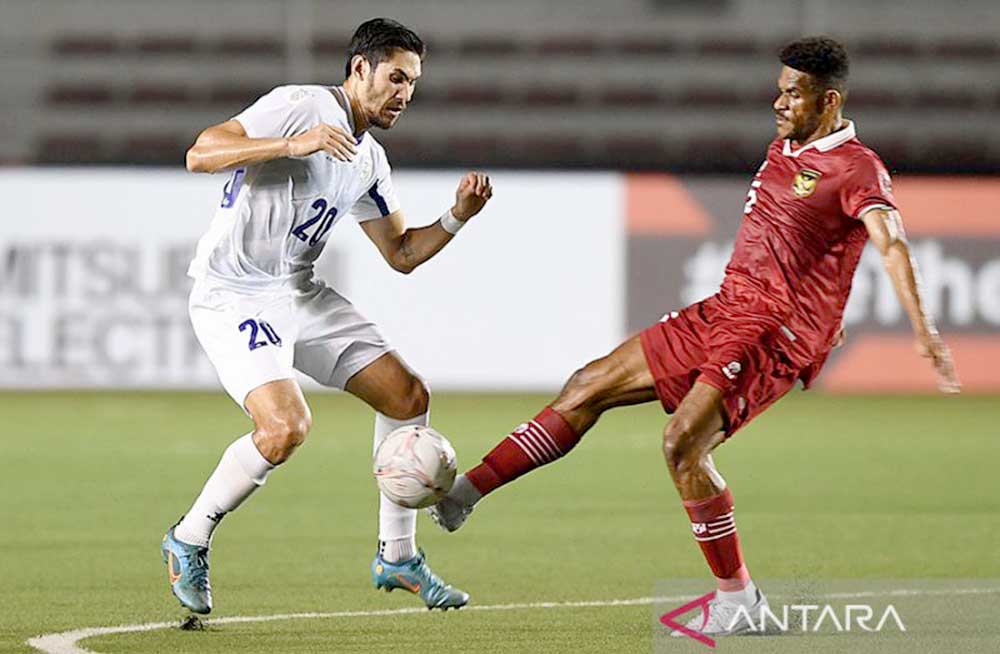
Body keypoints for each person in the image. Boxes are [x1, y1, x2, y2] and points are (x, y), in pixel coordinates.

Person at [429, 36, 959, 637]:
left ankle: (738, 599)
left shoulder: (857, 166)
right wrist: (826, 313)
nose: (779, 102)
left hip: (770, 329)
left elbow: (889, 241)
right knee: (588, 384)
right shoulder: (787, 145)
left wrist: (925, 331)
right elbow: (810, 250)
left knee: (682, 442)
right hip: (727, 309)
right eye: (779, 89)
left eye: (793, 93)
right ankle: (462, 494)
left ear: (829, 99)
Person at [161, 18, 493, 615]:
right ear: (359, 68)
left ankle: (396, 556)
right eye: (396, 77)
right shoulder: (299, 105)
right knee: (285, 429)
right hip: (234, 292)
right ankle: (189, 537)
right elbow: (200, 152)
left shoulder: (368, 158)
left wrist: (456, 216)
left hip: (298, 292)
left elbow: (402, 254)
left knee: (407, 396)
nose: (405, 94)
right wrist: (292, 144)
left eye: (413, 83)